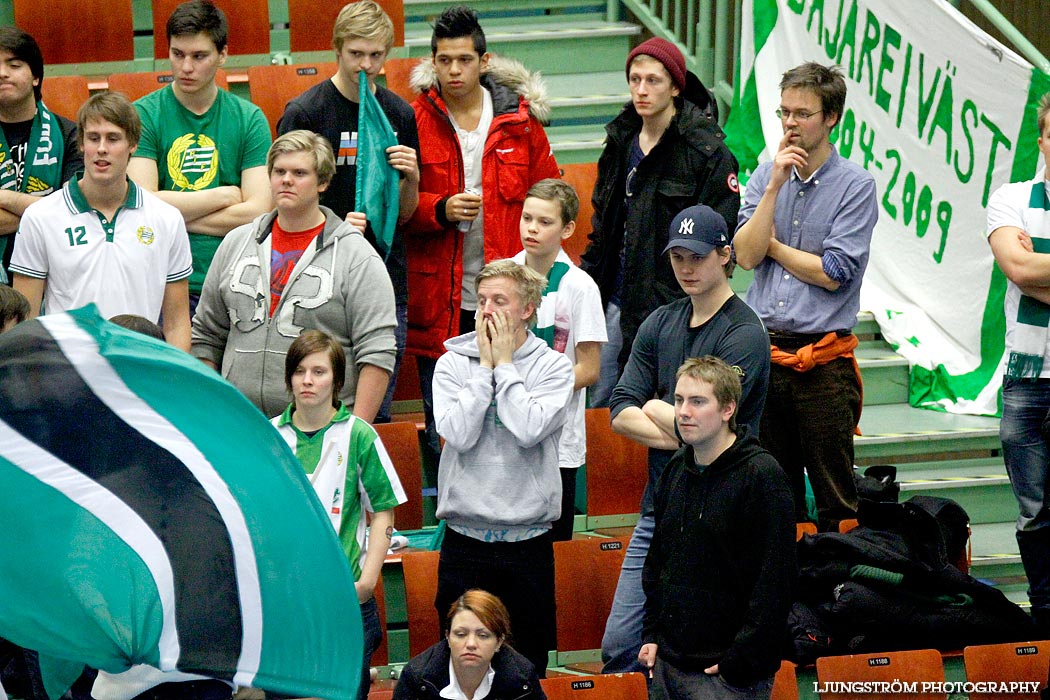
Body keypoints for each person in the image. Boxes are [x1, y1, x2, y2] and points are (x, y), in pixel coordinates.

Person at [600, 204, 769, 674]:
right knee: (620, 645)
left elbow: (715, 433)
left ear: (724, 256)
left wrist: (655, 406)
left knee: (695, 652)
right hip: (662, 507)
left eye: (697, 256)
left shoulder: (744, 333)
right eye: (678, 257)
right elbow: (618, 410)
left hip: (724, 516)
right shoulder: (659, 323)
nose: (686, 268)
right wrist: (682, 425)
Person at [405, 5, 560, 460]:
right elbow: (393, 212)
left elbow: (550, 196)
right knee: (449, 429)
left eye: (465, 59)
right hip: (441, 302)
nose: (455, 70)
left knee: (515, 420)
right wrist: (439, 208)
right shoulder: (412, 120)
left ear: (484, 61)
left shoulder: (519, 120)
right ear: (432, 61)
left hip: (510, 293)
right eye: (445, 60)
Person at [734, 61, 878, 529]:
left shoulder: (855, 185)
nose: (790, 123)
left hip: (822, 362)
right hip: (767, 353)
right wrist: (774, 185)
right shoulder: (765, 174)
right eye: (784, 113)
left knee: (836, 496)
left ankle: (839, 591)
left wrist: (775, 245)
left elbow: (834, 272)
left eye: (803, 113)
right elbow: (746, 256)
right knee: (777, 495)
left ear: (831, 117)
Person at [277, 0, 420, 422]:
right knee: (309, 410)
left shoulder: (398, 113)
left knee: (371, 418)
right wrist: (335, 227)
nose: (366, 65)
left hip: (384, 278)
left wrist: (410, 178)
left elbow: (406, 214)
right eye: (356, 54)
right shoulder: (306, 111)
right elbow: (283, 200)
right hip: (318, 281)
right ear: (337, 49)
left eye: (376, 55)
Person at [191, 130, 396, 419]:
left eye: (299, 173)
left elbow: (377, 353)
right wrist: (212, 410)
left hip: (322, 430)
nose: (286, 180)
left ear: (322, 182)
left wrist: (354, 434)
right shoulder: (235, 243)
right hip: (240, 424)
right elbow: (206, 336)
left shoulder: (356, 256)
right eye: (279, 171)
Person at [432, 259, 574, 676]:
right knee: (461, 667)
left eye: (500, 301)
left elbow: (529, 428)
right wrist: (485, 370)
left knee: (526, 668)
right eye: (482, 301)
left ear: (527, 309)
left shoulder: (553, 367)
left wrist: (506, 367)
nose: (487, 311)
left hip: (527, 545)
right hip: (465, 543)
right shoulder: (453, 364)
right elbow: (457, 433)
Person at [580, 37, 739, 406]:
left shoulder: (706, 152)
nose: (641, 90)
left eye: (653, 81)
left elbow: (720, 243)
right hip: (614, 299)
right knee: (602, 412)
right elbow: (604, 227)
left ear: (675, 87)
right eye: (635, 79)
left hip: (674, 307)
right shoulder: (620, 140)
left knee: (669, 415)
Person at [639, 357, 795, 700]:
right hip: (668, 664)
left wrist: (739, 661)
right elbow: (658, 561)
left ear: (728, 409)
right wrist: (651, 633)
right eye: (679, 400)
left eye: (698, 402)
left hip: (725, 676)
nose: (683, 412)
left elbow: (774, 582)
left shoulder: (762, 478)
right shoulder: (676, 468)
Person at [272, 330, 407, 700]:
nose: (307, 381)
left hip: (344, 601)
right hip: (286, 601)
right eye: (299, 371)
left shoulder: (359, 435)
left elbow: (383, 511)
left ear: (337, 380)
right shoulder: (269, 436)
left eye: (318, 371)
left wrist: (366, 583)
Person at [10, 92, 192, 351]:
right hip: (68, 373)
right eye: (93, 138)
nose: (102, 149)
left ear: (133, 144)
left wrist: (177, 381)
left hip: (139, 366)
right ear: (81, 144)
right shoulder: (41, 217)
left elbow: (176, 323)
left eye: (113, 138)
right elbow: (25, 322)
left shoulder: (167, 218)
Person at [128, 0, 271, 313]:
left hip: (234, 280)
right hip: (159, 279)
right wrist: (223, 195)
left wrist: (175, 214)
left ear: (223, 54)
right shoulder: (143, 115)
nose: (186, 67)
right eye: (177, 54)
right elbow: (142, 204)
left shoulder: (249, 119)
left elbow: (258, 214)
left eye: (199, 56)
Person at [986, 91, 1050, 636]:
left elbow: (1032, 269)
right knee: (1034, 513)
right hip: (1027, 378)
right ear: (1042, 139)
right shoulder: (1011, 199)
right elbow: (1018, 268)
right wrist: (1028, 267)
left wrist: (1037, 263)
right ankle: (1047, 617)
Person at [511, 179, 606, 541]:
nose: (532, 228)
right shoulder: (502, 275)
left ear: (567, 229)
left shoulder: (580, 286)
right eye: (527, 218)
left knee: (551, 550)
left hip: (558, 439)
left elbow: (590, 368)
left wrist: (537, 390)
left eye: (545, 222)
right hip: (508, 433)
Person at [0, 27, 82, 284]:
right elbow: (55, 211)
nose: (2, 73)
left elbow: (72, 210)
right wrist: (43, 210)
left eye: (14, 65)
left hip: (54, 272)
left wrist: (4, 197)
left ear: (36, 76)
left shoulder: (70, 135)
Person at [393, 589, 546, 700]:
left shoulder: (522, 679)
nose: (471, 644)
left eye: (483, 635)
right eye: (460, 634)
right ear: (447, 636)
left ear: (499, 642)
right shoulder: (416, 678)